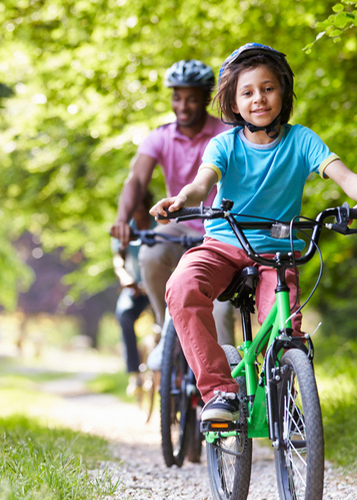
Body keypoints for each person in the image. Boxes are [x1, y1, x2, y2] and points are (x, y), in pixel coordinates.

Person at [152, 43, 357, 423]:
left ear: (284, 92)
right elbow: (201, 183)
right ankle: (219, 393)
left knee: (286, 330)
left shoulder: (301, 140)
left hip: (278, 254)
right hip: (224, 245)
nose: (259, 98)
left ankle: (286, 394)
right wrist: (181, 199)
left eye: (268, 88)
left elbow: (346, 176)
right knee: (182, 287)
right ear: (234, 102)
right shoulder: (224, 145)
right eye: (247, 92)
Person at [110, 59, 236, 373]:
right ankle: (165, 325)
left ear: (206, 98)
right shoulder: (160, 137)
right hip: (177, 225)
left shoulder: (225, 133)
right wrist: (122, 218)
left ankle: (232, 395)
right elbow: (136, 180)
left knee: (220, 313)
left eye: (192, 97)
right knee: (151, 254)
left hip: (219, 228)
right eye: (177, 97)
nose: (183, 105)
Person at [111, 191, 155, 396]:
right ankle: (134, 374)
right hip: (135, 288)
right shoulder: (125, 227)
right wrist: (125, 278)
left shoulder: (159, 224)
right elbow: (118, 260)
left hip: (157, 285)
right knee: (124, 315)